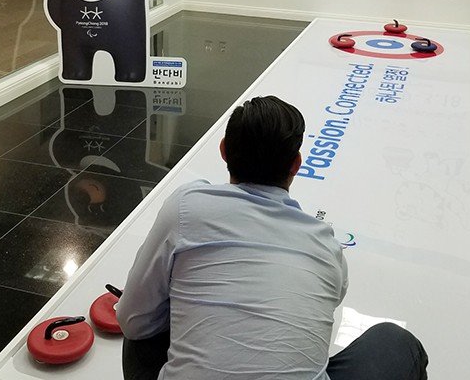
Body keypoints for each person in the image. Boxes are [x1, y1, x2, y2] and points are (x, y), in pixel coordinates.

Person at [116, 95, 428, 379]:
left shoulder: (186, 206)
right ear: (296, 164)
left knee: (144, 326)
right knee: (396, 342)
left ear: (224, 150)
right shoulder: (325, 246)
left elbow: (133, 321)